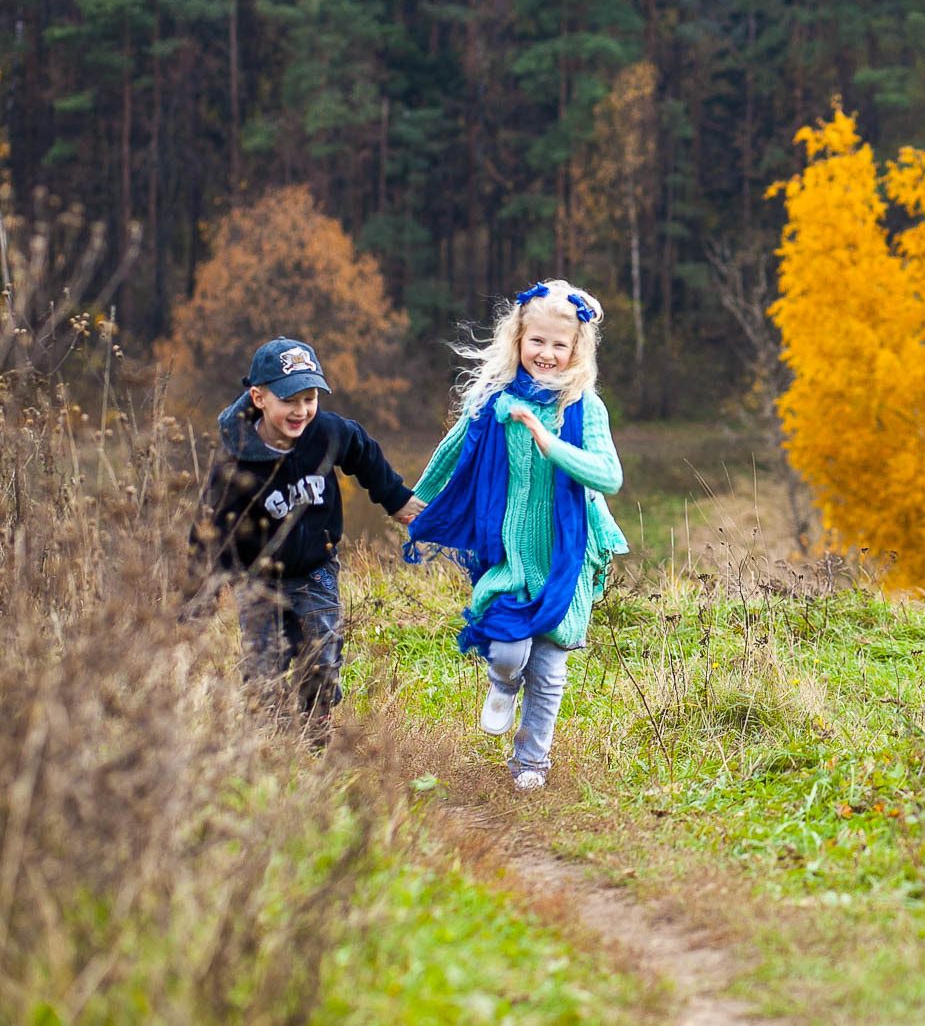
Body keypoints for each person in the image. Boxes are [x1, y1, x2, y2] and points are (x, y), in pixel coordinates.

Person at [405, 279, 628, 791]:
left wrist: (551, 443)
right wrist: (413, 502)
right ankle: (503, 682)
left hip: (568, 554)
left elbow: (609, 476)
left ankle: (531, 764)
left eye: (559, 344)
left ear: (576, 349)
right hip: (510, 551)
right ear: (518, 340)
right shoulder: (494, 400)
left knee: (549, 670)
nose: (546, 353)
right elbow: (452, 451)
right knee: (507, 649)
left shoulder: (583, 407)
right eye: (537, 342)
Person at [194, 337, 421, 743]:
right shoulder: (237, 459)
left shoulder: (326, 432)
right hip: (258, 579)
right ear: (258, 397)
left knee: (321, 654)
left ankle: (316, 725)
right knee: (265, 661)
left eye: (310, 397)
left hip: (316, 569)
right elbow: (210, 526)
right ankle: (270, 733)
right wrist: (200, 595)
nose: (301, 411)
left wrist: (396, 499)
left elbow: (364, 453)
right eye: (289, 400)